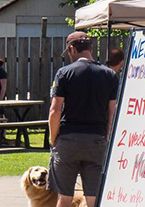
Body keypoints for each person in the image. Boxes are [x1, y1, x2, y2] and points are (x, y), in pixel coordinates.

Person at [48, 32, 118, 207]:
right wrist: (106, 138)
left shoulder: (64, 73)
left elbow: (55, 111)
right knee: (93, 198)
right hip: (96, 140)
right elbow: (112, 113)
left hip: (68, 140)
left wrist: (53, 137)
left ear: (72, 48)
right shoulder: (109, 75)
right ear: (91, 49)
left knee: (64, 197)